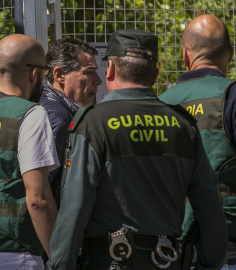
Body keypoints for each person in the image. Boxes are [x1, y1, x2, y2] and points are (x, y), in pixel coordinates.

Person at [46, 29, 228, 270]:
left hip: (109, 261)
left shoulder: (92, 123)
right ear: (155, 75)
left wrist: (60, 264)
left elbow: (75, 207)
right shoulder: (183, 125)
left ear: (110, 70)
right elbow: (209, 206)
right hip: (166, 261)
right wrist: (210, 262)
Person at [0, 34, 59, 270]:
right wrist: (60, 258)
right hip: (12, 254)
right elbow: (38, 200)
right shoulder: (31, 114)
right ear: (35, 72)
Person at [159, 14, 236, 269]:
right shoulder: (231, 96)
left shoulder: (160, 103)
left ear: (185, 55)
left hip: (170, 246)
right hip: (227, 246)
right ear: (231, 54)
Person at [39, 38, 102, 207]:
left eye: (96, 72)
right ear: (59, 75)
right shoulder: (56, 119)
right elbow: (42, 192)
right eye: (88, 73)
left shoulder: (62, 111)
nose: (98, 81)